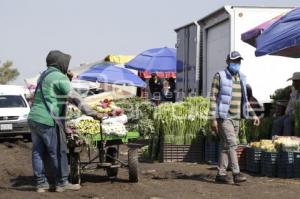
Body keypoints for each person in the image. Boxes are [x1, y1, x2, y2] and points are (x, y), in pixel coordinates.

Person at [28, 50, 102, 193]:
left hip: (33, 118)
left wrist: (66, 79)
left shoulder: (43, 75)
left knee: (38, 152)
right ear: (60, 63)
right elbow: (74, 97)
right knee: (58, 151)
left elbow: (56, 92)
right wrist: (93, 114)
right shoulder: (59, 77)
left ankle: (41, 184)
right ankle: (62, 183)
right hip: (47, 120)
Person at [209, 51, 260, 184]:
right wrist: (212, 118)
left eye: (238, 61)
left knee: (225, 145)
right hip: (224, 116)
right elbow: (213, 98)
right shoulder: (219, 76)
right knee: (232, 143)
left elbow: (245, 101)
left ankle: (220, 174)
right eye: (234, 61)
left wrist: (254, 115)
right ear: (228, 62)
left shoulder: (241, 78)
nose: (237, 64)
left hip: (236, 117)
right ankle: (236, 173)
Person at [272, 72, 300, 136]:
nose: (293, 84)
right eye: (293, 81)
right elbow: (290, 104)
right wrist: (286, 113)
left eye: (295, 81)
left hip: (297, 115)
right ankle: (274, 141)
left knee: (287, 122)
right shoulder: (294, 91)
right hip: (291, 114)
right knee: (276, 122)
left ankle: (286, 142)